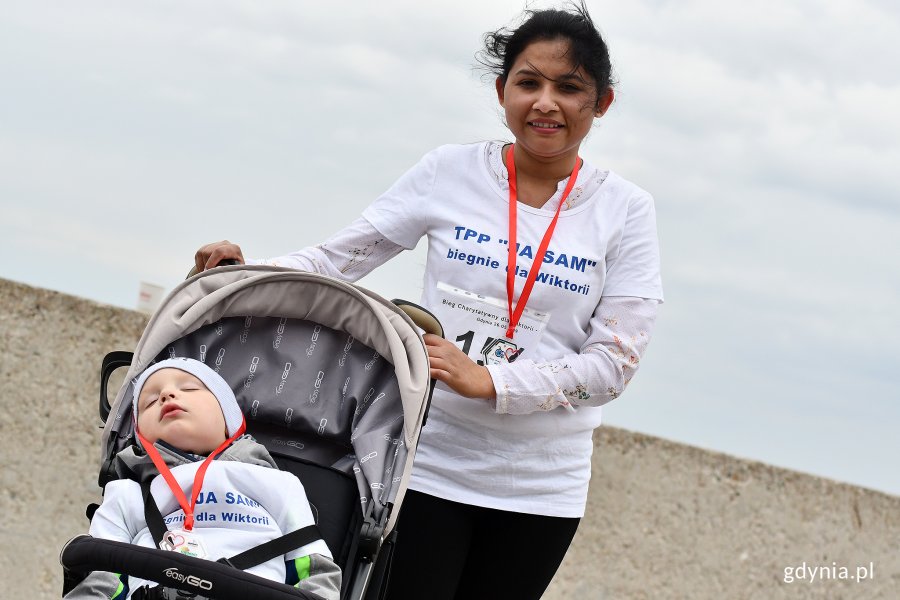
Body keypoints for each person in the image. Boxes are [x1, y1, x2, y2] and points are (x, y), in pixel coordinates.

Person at [194, 4, 663, 599]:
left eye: (569, 89)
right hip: (424, 462)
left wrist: (489, 381)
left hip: (541, 488)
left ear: (602, 103)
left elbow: (614, 363)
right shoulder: (450, 171)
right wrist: (246, 268)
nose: (546, 103)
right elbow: (340, 258)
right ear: (502, 91)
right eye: (528, 83)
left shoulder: (625, 209)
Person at [65, 358, 341, 600]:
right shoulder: (129, 493)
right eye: (149, 401)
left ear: (228, 417)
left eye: (189, 389)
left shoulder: (278, 483)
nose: (167, 395)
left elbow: (313, 568)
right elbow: (101, 576)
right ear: (141, 437)